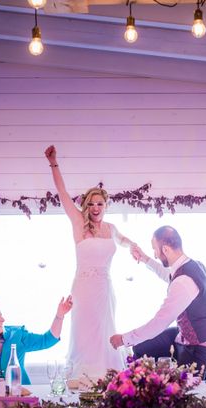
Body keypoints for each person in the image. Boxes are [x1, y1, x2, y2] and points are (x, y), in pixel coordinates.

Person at [44, 145, 137, 379]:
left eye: (100, 204)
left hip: (105, 289)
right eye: (92, 204)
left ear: (106, 206)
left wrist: (134, 247)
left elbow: (124, 240)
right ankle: (82, 380)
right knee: (85, 335)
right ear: (87, 206)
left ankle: (108, 380)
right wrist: (54, 162)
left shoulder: (111, 228)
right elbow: (62, 192)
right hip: (84, 289)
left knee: (106, 333)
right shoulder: (78, 222)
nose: (95, 208)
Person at [109, 226, 206, 375]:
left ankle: (169, 386)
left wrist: (124, 339)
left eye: (155, 250)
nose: (155, 255)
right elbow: (168, 275)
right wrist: (144, 258)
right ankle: (145, 385)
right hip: (188, 335)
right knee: (141, 347)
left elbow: (160, 322)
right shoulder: (192, 266)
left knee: (182, 390)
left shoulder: (183, 281)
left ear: (166, 249)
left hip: (200, 348)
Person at [0, 295, 72, 387]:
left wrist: (60, 315)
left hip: (20, 394)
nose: (3, 319)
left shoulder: (17, 335)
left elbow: (49, 339)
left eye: (1, 315)